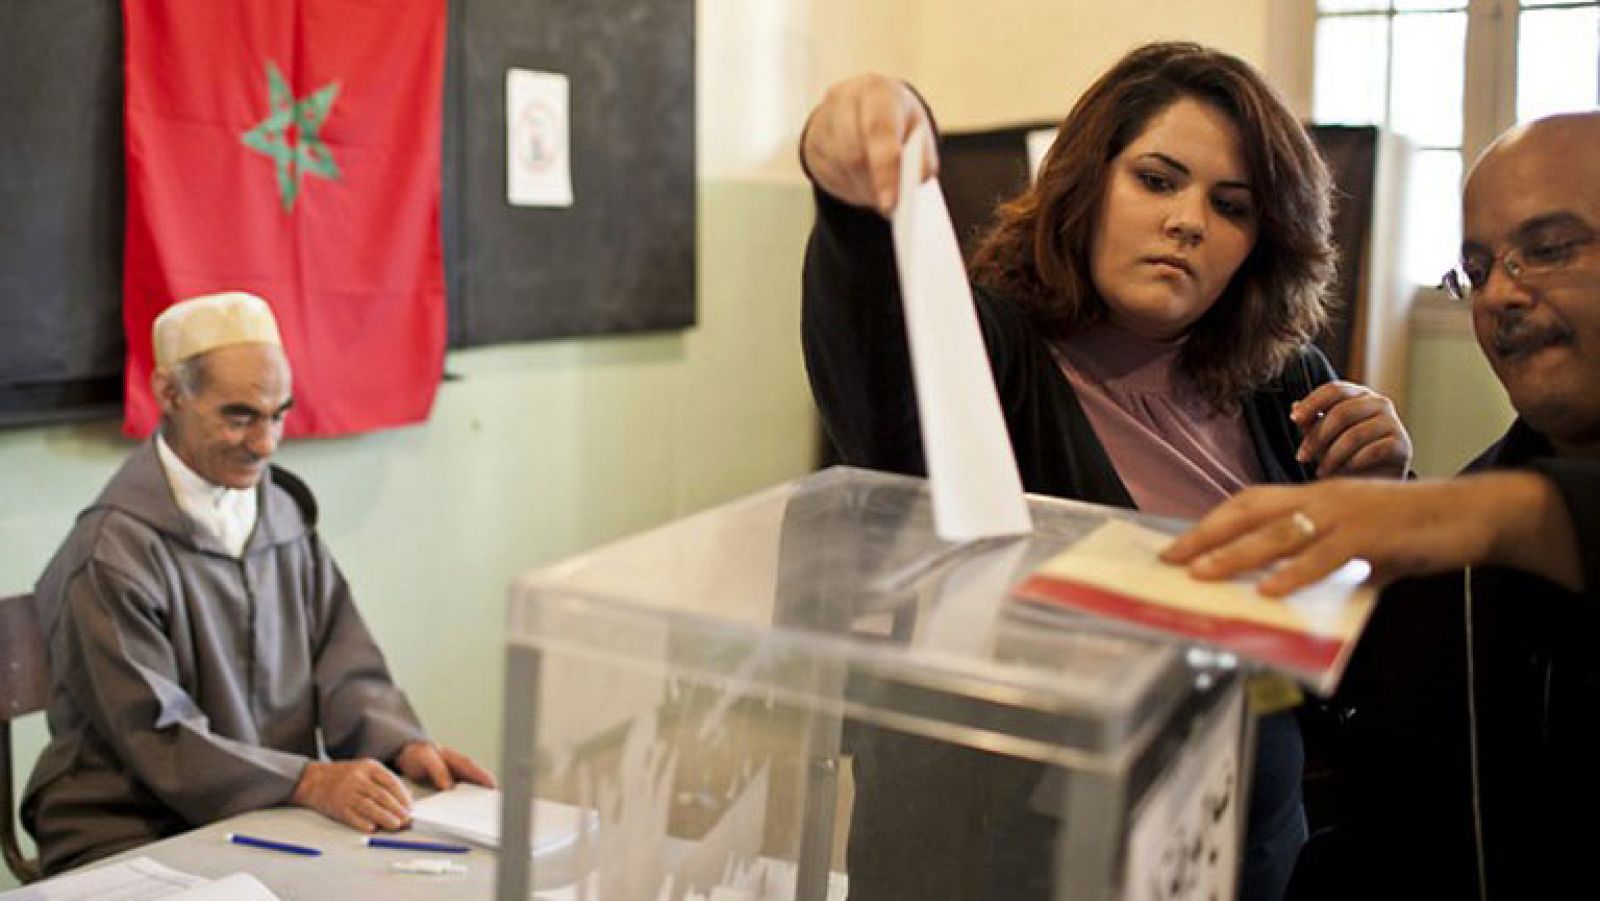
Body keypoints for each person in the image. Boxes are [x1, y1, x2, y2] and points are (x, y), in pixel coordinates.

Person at [801, 42, 1412, 901]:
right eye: (1157, 180)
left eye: (1230, 205)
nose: (1190, 221)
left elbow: (1353, 648)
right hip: (1002, 858)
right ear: (1088, 183)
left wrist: (1386, 499)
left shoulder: (1288, 383)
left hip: (1235, 846)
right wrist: (852, 197)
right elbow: (876, 383)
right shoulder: (995, 353)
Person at [1163, 111, 1598, 897]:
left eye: (1550, 249)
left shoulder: (1468, 523)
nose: (1502, 292)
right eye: (1478, 264)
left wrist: (1480, 518)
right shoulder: (1452, 572)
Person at [22, 292, 495, 875]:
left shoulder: (282, 517)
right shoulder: (110, 555)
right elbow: (158, 736)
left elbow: (343, 662)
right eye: (239, 416)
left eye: (278, 414)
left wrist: (400, 746)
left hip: (265, 814)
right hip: (132, 827)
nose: (267, 443)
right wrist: (308, 780)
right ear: (170, 394)